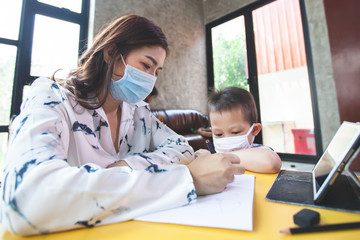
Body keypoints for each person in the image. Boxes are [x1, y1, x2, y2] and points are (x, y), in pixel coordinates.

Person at [0, 15, 244, 236]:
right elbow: (26, 196)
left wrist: (126, 165)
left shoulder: (136, 111)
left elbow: (182, 147)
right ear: (111, 55)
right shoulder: (51, 97)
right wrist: (186, 180)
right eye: (146, 66)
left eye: (157, 71)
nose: (151, 79)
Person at [196, 87, 281, 173]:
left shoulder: (260, 151)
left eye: (235, 132)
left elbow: (271, 163)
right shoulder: (212, 156)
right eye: (218, 134)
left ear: (255, 130)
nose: (227, 140)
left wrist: (221, 157)